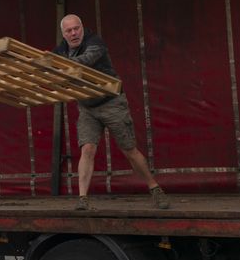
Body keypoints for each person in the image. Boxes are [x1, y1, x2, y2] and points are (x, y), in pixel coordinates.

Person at [54, 14, 170, 210]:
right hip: (87, 107)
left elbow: (86, 60)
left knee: (129, 149)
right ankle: (82, 198)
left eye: (76, 28)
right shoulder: (62, 50)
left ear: (82, 27)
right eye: (69, 31)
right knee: (87, 148)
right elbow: (51, 64)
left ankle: (155, 188)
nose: (74, 33)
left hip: (111, 103)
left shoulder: (94, 42)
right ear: (63, 34)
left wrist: (61, 67)